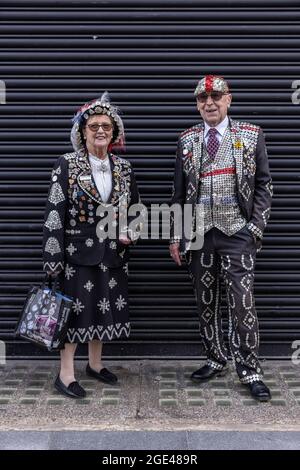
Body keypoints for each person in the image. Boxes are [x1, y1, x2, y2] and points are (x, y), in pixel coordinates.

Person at [170, 75, 273, 401]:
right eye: (203, 98)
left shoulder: (251, 135)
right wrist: (176, 235)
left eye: (216, 96)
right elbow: (178, 194)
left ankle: (249, 369)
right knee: (205, 302)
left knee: (242, 302)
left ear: (229, 99)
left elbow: (264, 186)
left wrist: (255, 227)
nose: (209, 103)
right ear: (197, 103)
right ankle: (215, 358)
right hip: (199, 235)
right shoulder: (186, 140)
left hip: (236, 233)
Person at [42, 92, 141, 398]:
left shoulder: (124, 167)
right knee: (73, 315)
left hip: (111, 254)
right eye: (94, 125)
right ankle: (66, 374)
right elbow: (54, 213)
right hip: (76, 254)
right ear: (82, 131)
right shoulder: (67, 164)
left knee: (103, 308)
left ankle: (95, 365)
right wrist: (53, 258)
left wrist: (131, 231)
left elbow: (135, 209)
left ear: (115, 133)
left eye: (107, 126)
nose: (100, 130)